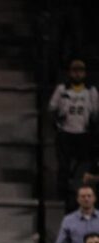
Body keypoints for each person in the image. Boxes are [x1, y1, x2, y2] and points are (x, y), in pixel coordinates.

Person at [48, 60, 99, 209]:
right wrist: (57, 122)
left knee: (82, 168)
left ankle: (81, 196)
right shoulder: (62, 90)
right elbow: (51, 108)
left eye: (80, 71)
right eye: (74, 71)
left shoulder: (91, 91)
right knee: (64, 166)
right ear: (70, 72)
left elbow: (95, 113)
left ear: (85, 73)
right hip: (65, 133)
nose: (77, 74)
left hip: (83, 134)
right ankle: (62, 195)